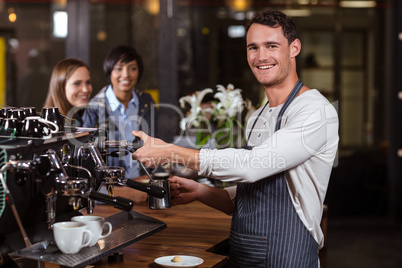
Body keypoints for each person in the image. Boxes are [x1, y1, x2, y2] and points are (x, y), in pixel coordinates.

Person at [132, 10, 339, 267]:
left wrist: (168, 151)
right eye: (253, 47)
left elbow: (252, 166)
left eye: (271, 46)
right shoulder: (257, 117)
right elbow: (249, 193)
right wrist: (200, 191)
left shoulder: (314, 111)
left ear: (294, 48)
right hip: (243, 256)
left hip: (288, 257)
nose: (261, 56)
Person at [82, 45, 158, 202]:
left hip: (143, 186)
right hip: (110, 193)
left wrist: (156, 176)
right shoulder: (94, 108)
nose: (126, 75)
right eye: (119, 68)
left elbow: (155, 144)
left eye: (132, 68)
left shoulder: (146, 102)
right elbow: (87, 162)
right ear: (109, 72)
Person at [43, 58, 92, 126]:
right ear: (60, 87)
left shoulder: (82, 117)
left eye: (88, 82)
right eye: (77, 83)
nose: (85, 89)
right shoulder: (51, 128)